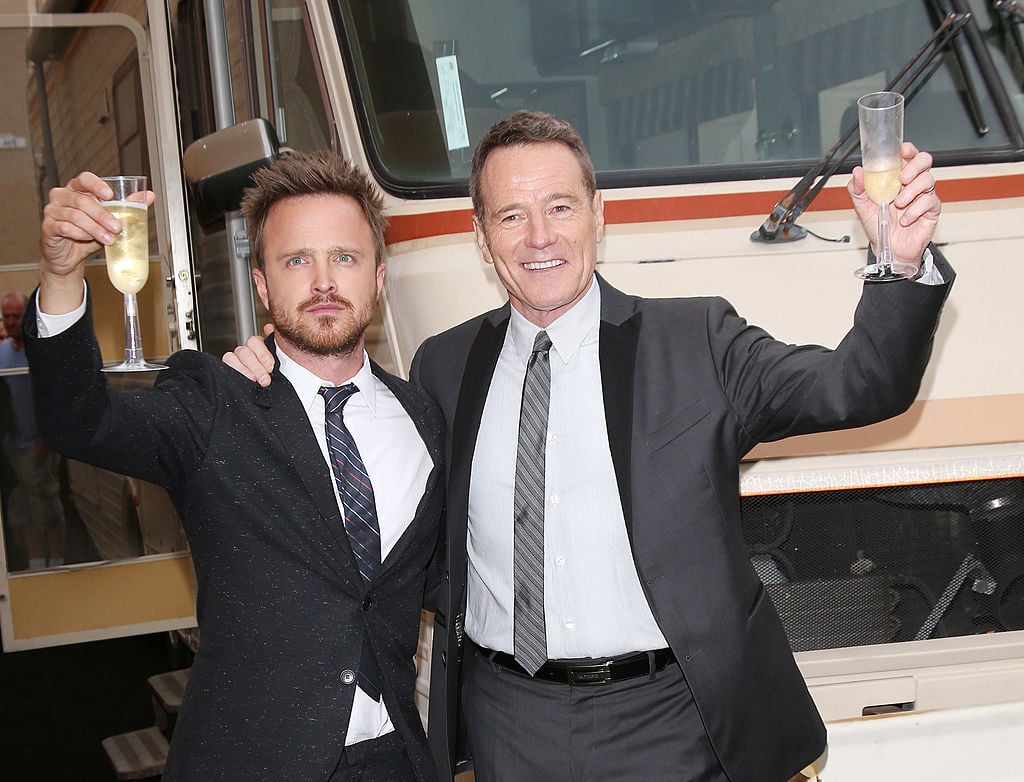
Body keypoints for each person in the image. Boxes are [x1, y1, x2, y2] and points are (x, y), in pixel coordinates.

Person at [227, 111, 953, 782]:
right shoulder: (443, 369)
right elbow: (372, 480)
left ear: (598, 218)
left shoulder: (696, 341)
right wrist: (271, 367)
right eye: (511, 215)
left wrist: (900, 263)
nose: (539, 237)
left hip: (675, 719)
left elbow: (858, 387)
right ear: (482, 237)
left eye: (560, 208)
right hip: (508, 723)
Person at [25, 152, 445, 781]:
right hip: (249, 761)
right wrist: (61, 279)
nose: (324, 281)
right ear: (261, 284)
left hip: (393, 759)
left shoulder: (422, 416)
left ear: (379, 279)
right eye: (296, 260)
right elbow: (79, 422)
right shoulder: (214, 402)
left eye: (346, 257)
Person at [1, 292, 67, 570]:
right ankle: (36, 565)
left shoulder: (39, 350)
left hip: (38, 447)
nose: (13, 321)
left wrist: (46, 441)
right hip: (10, 449)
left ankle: (58, 565)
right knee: (23, 511)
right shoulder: (3, 351)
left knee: (47, 509)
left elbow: (55, 395)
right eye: (8, 317)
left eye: (18, 316)